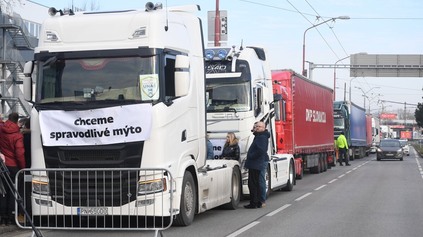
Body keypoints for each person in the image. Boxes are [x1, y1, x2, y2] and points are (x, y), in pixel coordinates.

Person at [0, 112, 25, 226]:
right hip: (14, 166)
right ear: (16, 120)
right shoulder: (17, 135)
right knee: (13, 192)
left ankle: (2, 216)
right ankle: (10, 216)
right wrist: (23, 168)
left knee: (3, 191)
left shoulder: (1, 130)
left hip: (3, 165)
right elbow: (19, 153)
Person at [244, 121, 269, 209]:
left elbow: (261, 150)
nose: (256, 128)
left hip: (256, 163)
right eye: (256, 126)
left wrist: (251, 155)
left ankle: (255, 202)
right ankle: (258, 201)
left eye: (259, 126)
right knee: (256, 182)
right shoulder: (259, 136)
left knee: (254, 183)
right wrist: (253, 130)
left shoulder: (261, 137)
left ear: (264, 128)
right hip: (256, 163)